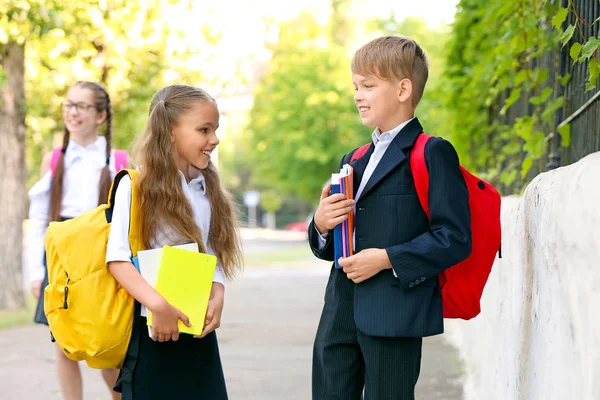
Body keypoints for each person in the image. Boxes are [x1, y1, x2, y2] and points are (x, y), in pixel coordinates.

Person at [309, 36, 472, 400]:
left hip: (394, 315)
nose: (357, 94)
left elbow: (454, 237)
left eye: (368, 85)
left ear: (403, 89)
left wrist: (386, 259)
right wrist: (321, 224)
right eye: (355, 86)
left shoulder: (432, 152)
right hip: (338, 314)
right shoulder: (354, 158)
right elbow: (330, 248)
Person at [105, 84, 243, 400]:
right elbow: (117, 259)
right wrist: (158, 304)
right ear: (169, 132)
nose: (215, 139)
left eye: (216, 129)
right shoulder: (135, 185)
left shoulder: (207, 189)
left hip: (197, 334)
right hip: (152, 332)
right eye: (204, 129)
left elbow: (212, 255)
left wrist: (218, 294)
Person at [28, 81, 126, 400]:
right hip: (60, 254)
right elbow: (40, 218)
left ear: (100, 116)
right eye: (69, 104)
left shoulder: (118, 161)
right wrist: (36, 271)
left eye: (82, 106)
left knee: (103, 340)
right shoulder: (54, 159)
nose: (72, 112)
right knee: (64, 342)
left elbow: (128, 217)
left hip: (100, 253)